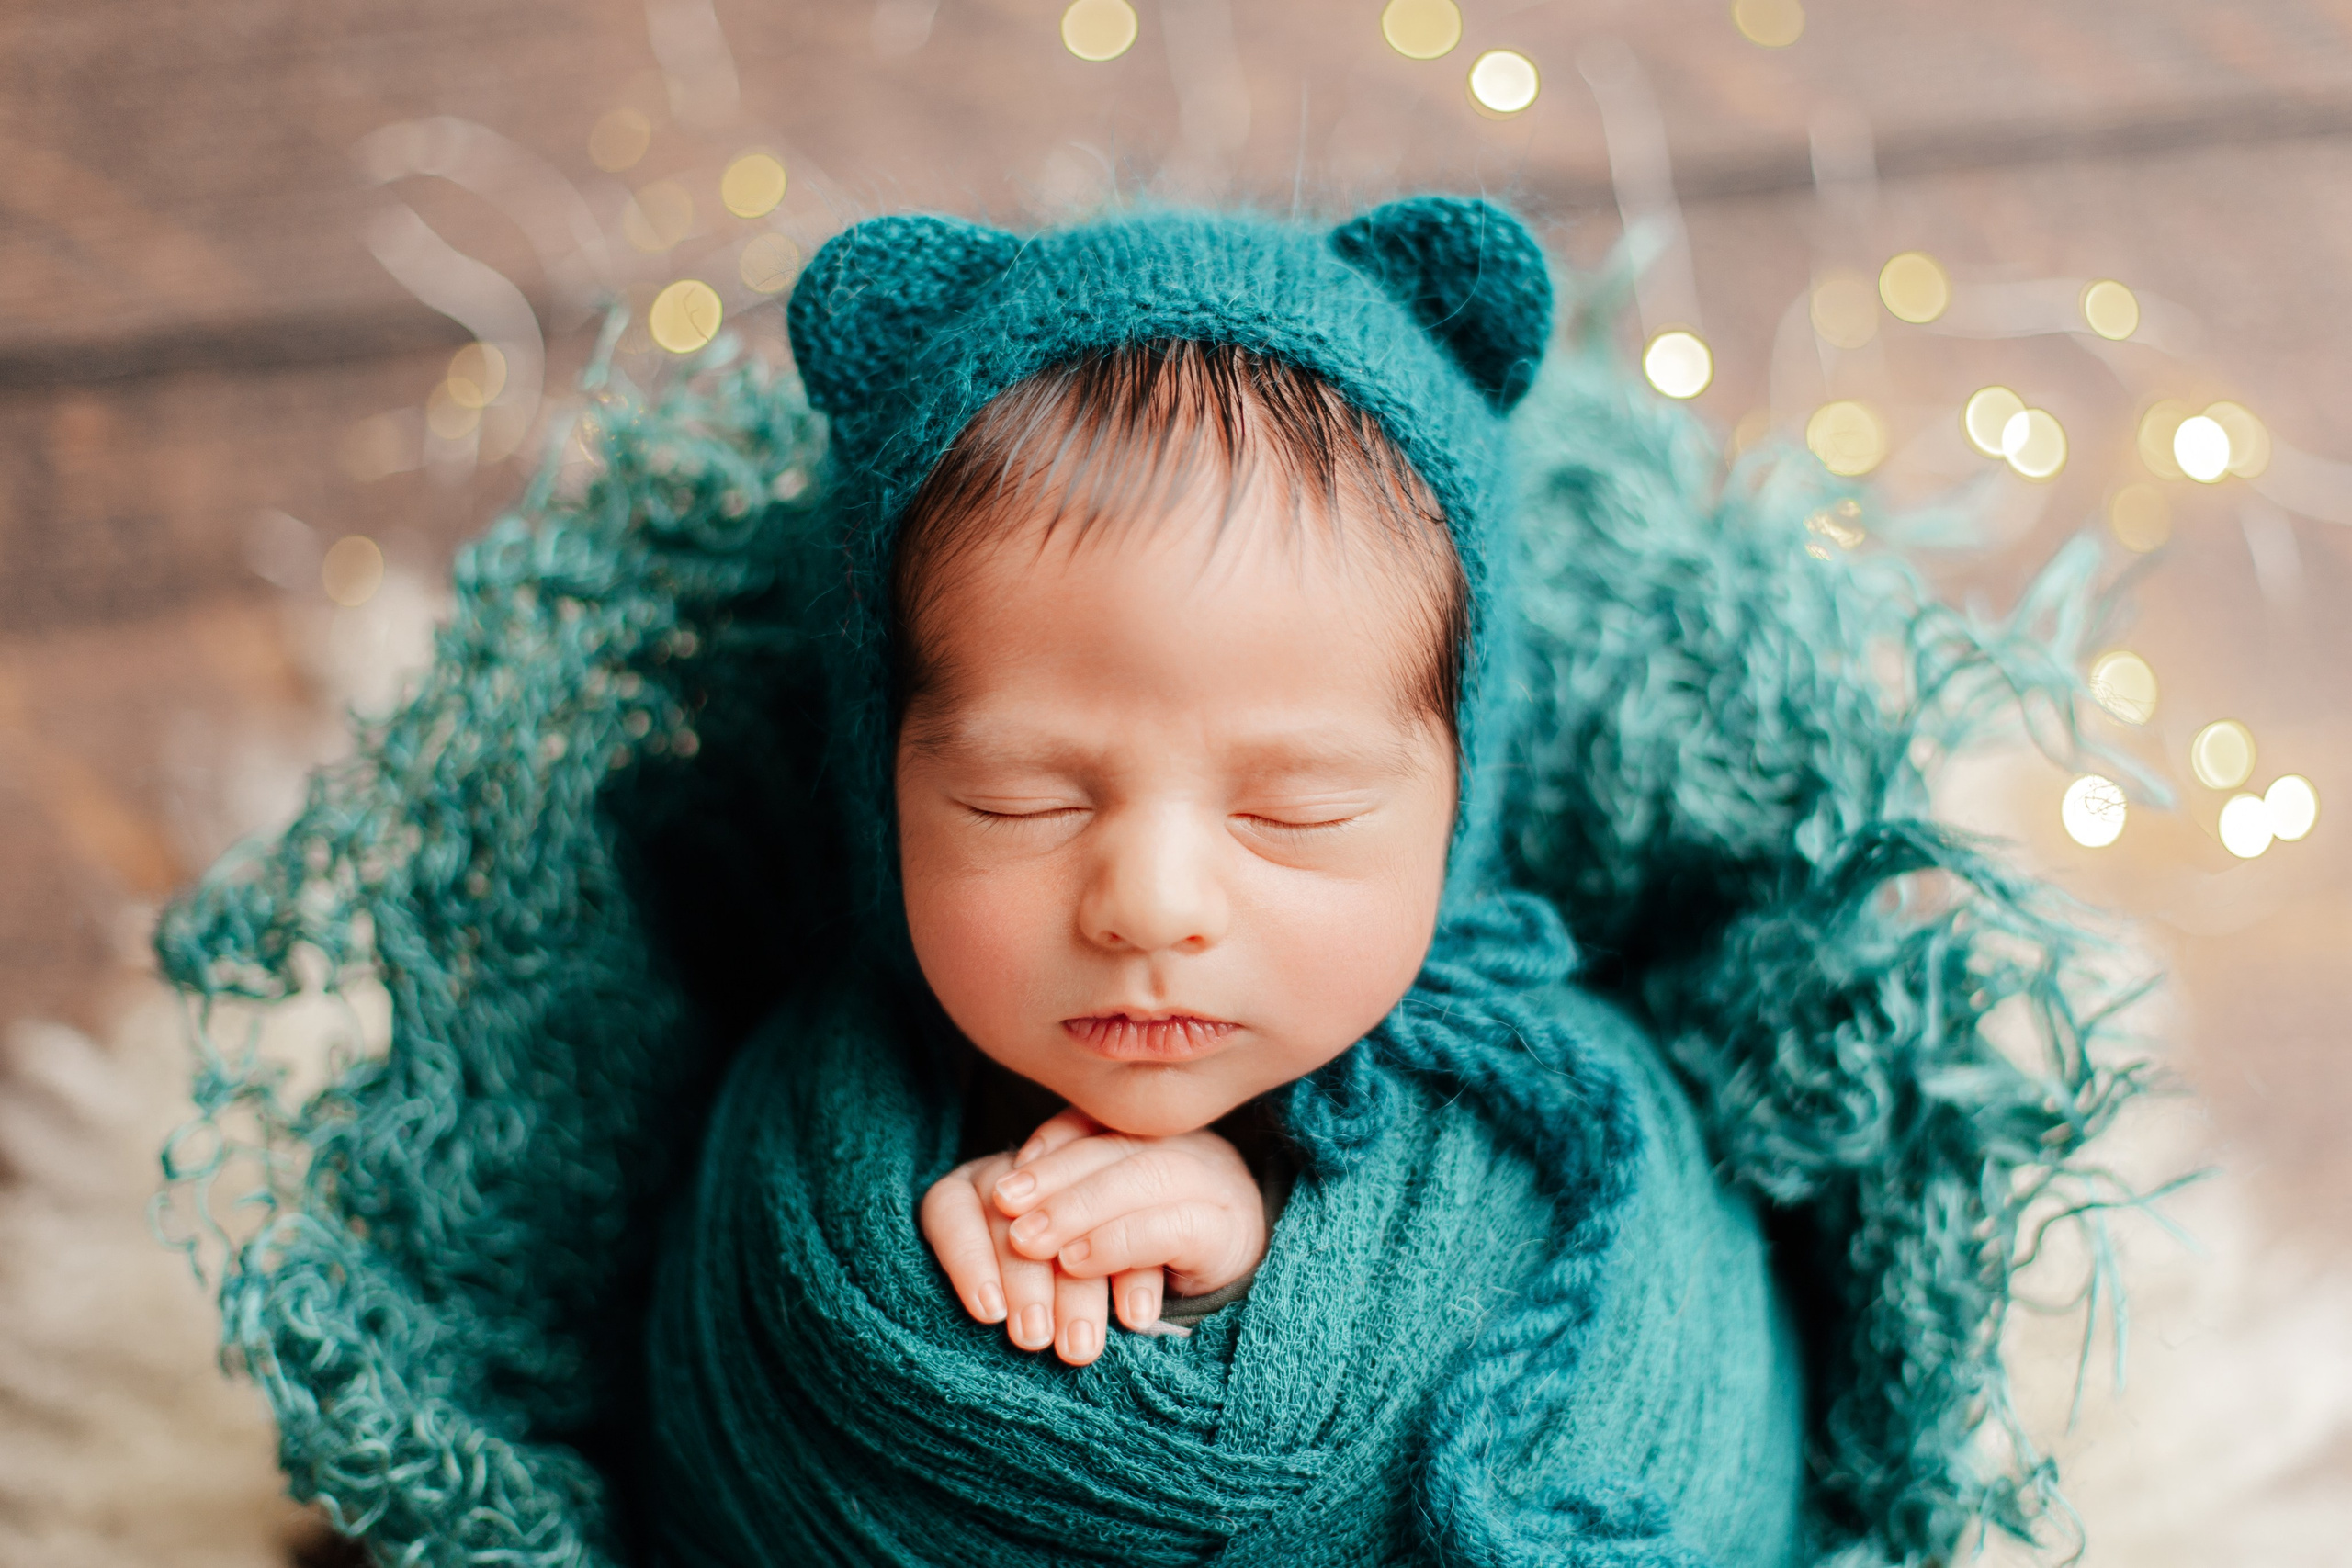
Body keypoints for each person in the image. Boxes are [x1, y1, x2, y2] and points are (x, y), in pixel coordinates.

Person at [160, 197, 2139, 1568]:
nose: (1152, 899)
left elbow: (1692, 1436)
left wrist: (1253, 1229)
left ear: (1462, 791)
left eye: (1290, 809)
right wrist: (964, 1321)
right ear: (881, 781)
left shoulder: (1578, 1119)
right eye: (1025, 799)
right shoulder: (780, 1152)